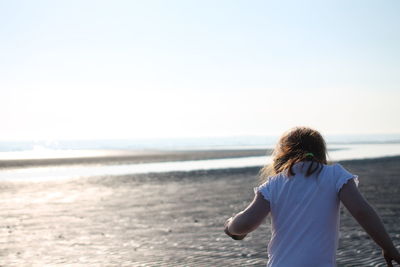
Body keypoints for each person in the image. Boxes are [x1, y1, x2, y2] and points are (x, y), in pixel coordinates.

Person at [224, 127, 400, 267]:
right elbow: (362, 211)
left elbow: (245, 224)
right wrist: (388, 247)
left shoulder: (275, 183)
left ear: (282, 153)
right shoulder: (334, 175)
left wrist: (231, 226)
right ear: (320, 151)